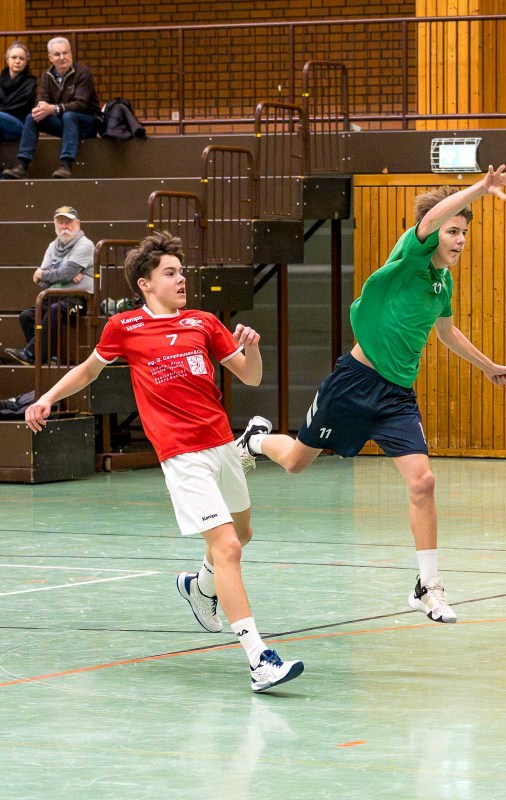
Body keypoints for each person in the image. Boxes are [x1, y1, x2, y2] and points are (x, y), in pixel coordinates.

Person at [25, 230, 304, 693]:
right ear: (145, 284)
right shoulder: (125, 327)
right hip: (181, 454)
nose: (181, 280)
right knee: (228, 546)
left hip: (221, 445)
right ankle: (260, 659)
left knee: (243, 534)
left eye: (181, 272)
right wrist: (48, 397)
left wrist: (251, 346)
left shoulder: (204, 322)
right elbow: (89, 370)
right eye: (170, 273)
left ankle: (199, 587)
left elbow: (250, 377)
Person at [237, 166, 506, 624]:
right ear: (433, 231)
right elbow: (433, 218)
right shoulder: (411, 255)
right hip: (353, 383)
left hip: (396, 397)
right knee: (295, 463)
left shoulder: (442, 283)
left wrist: (487, 367)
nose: (460, 240)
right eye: (453, 231)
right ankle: (255, 439)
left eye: (464, 233)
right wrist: (480, 189)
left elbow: (446, 332)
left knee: (423, 482)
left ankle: (428, 587)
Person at [3, 205, 94, 366]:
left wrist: (54, 274)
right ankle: (49, 356)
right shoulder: (53, 246)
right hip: (54, 296)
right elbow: (41, 281)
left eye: (69, 222)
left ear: (78, 224)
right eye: (60, 222)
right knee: (26, 316)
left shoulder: (85, 245)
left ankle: (31, 353)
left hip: (79, 299)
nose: (64, 226)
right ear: (55, 225)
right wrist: (64, 274)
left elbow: (55, 274)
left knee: (55, 310)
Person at [2, 37, 100, 180]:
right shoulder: (47, 75)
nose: (62, 57)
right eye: (57, 54)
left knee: (69, 115)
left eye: (65, 53)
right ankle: (22, 165)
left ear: (71, 53)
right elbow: (42, 98)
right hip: (64, 123)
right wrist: (40, 108)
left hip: (87, 123)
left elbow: (81, 104)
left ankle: (65, 165)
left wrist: (54, 109)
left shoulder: (83, 73)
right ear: (50, 58)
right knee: (33, 116)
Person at [0, 41, 36, 141]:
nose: (17, 61)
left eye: (21, 58)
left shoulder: (30, 82)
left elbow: (19, 106)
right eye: (13, 57)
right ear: (7, 60)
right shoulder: (0, 80)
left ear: (26, 62)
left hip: (18, 125)